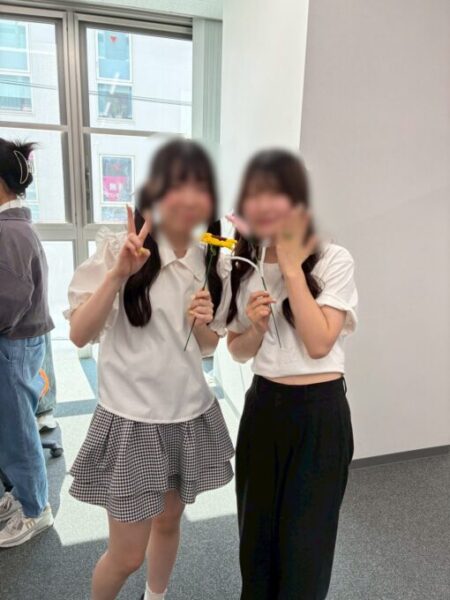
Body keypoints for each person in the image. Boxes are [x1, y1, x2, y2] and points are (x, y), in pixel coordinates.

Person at [65, 139, 234, 600]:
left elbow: (206, 348)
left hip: (187, 415)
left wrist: (203, 323)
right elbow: (79, 334)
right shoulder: (119, 251)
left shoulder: (210, 260)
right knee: (125, 556)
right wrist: (117, 274)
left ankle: (155, 597)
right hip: (132, 421)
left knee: (168, 522)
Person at [226, 149, 358, 599]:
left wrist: (290, 268)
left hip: (319, 416)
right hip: (263, 409)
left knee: (306, 551)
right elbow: (237, 351)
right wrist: (255, 329)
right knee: (257, 546)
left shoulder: (335, 259)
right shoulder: (240, 265)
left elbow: (319, 343)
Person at [0, 138, 55, 548]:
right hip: (17, 341)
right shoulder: (13, 227)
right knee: (11, 427)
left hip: (14, 343)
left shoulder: (11, 232)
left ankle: (36, 509)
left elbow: (10, 299)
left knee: (18, 431)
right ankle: (22, 497)